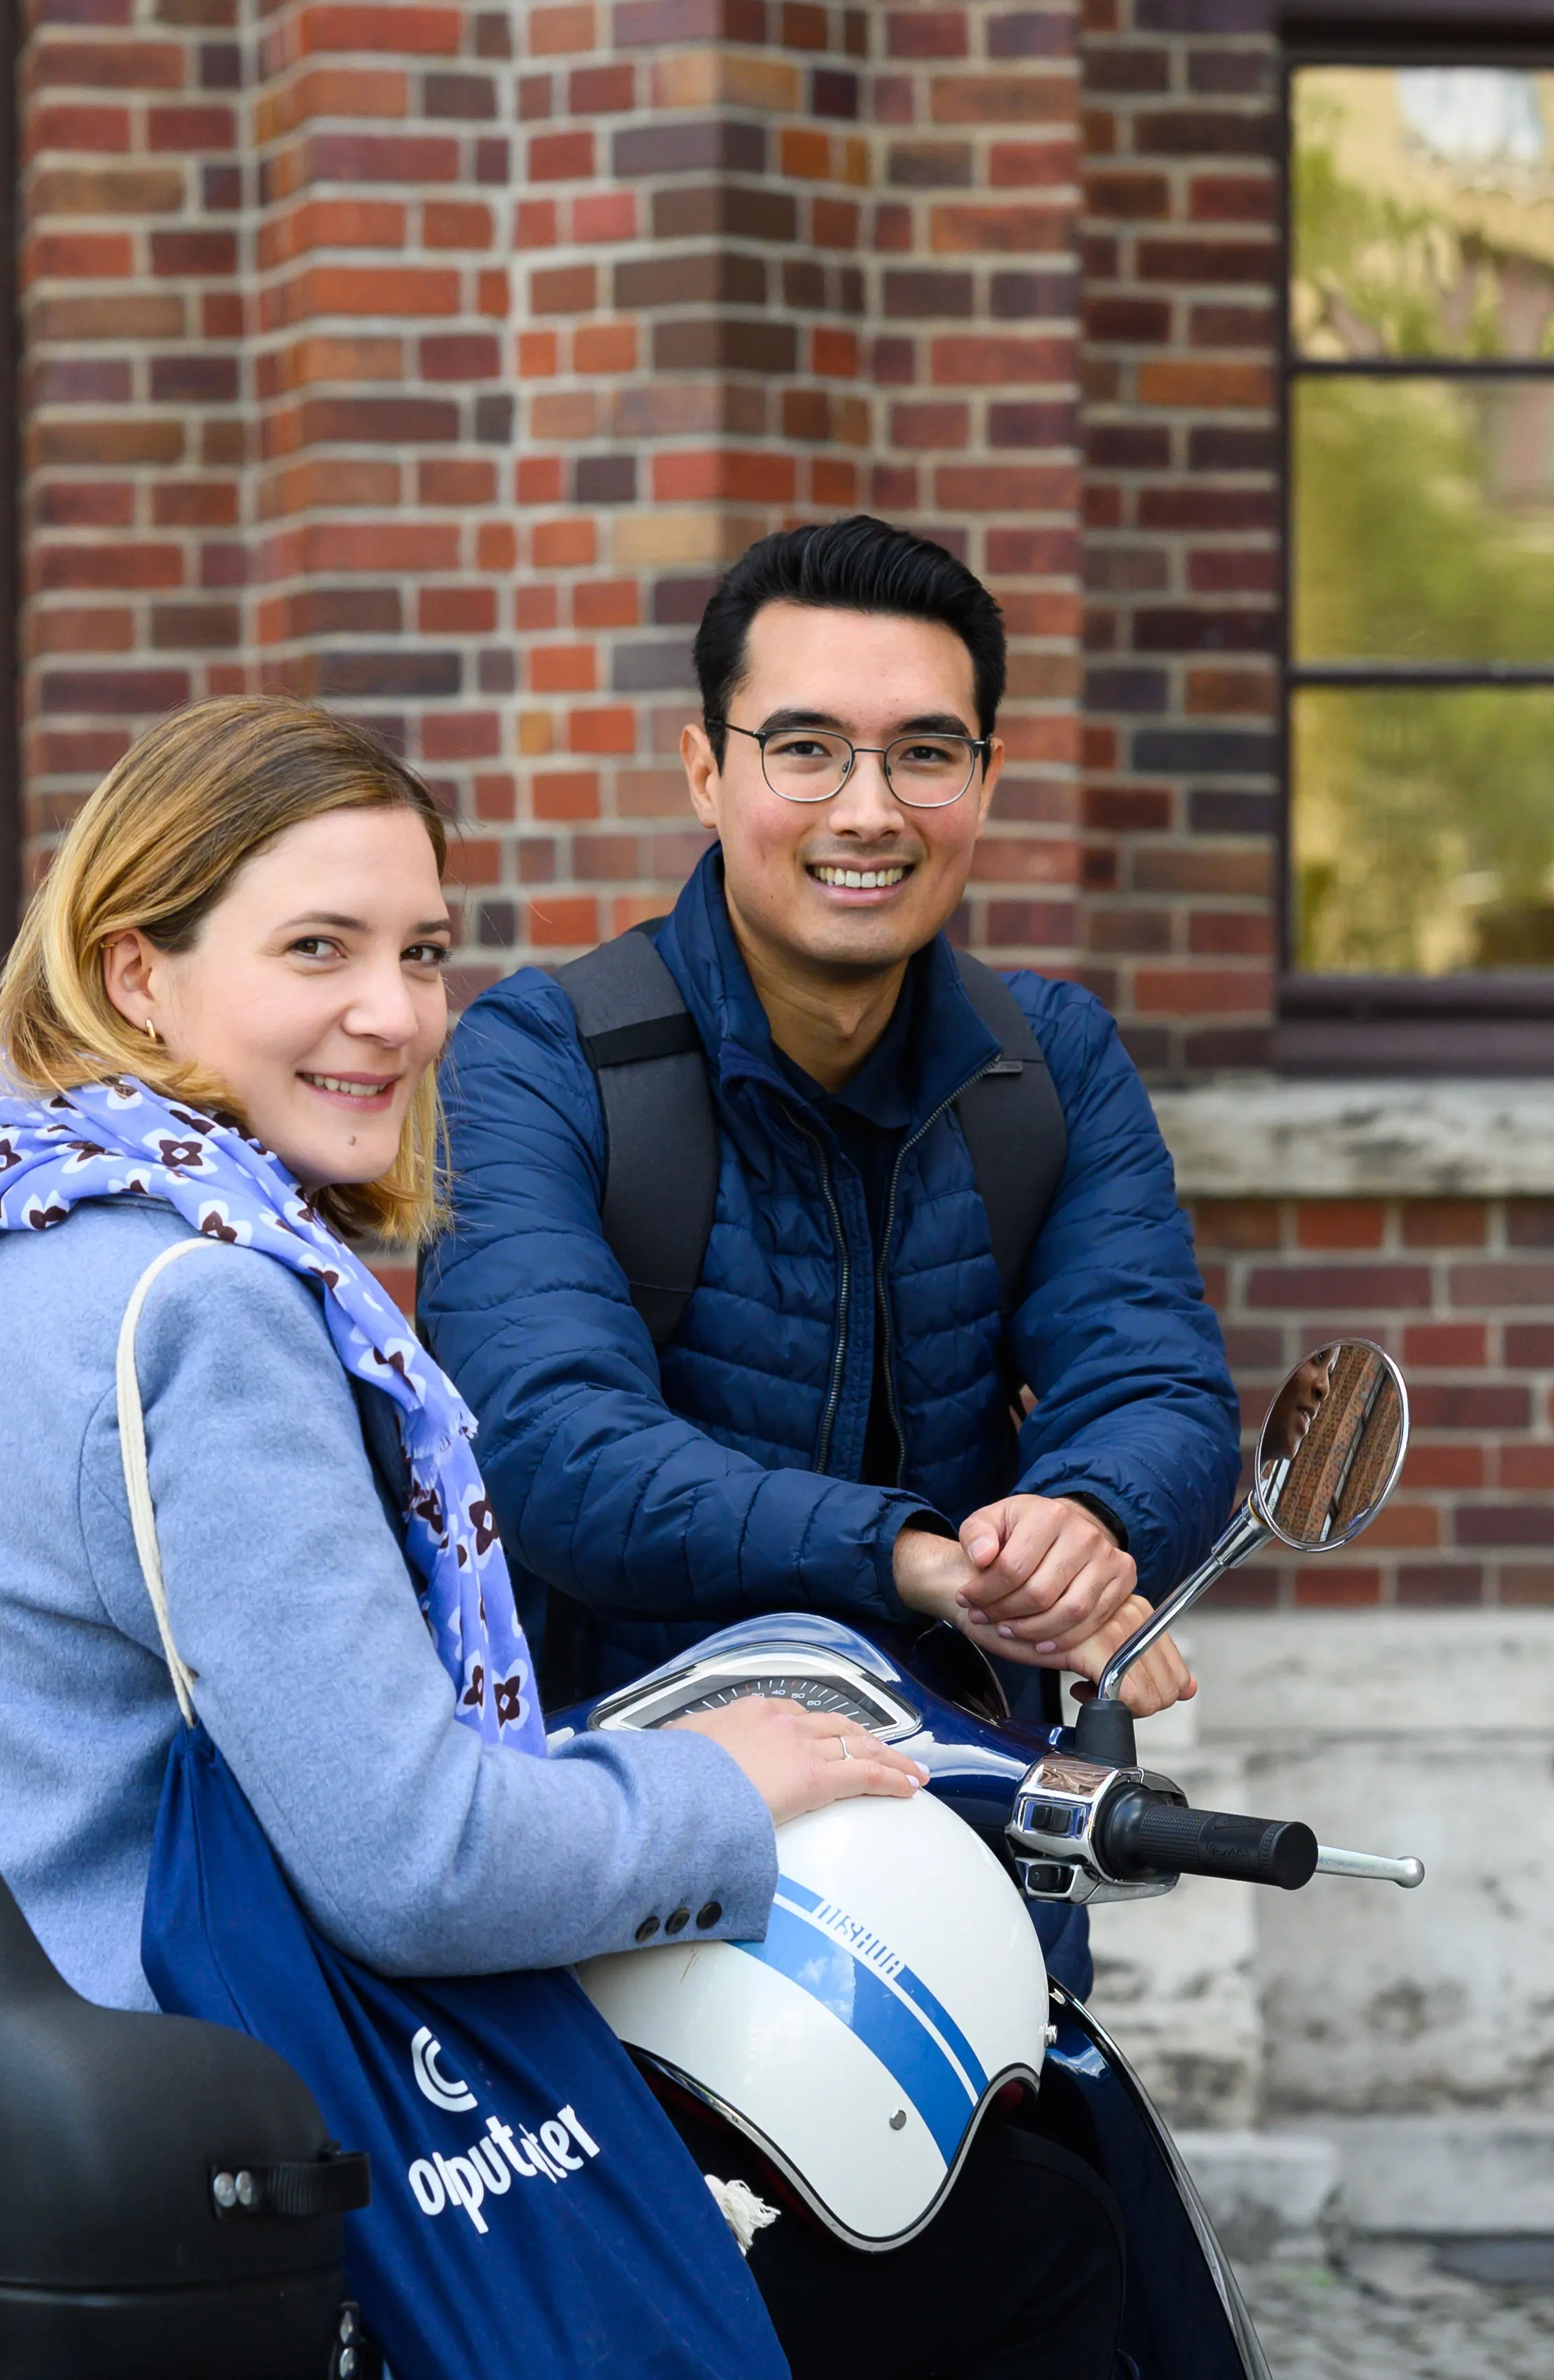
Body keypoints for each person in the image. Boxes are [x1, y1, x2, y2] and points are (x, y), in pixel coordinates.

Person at [417, 514, 1234, 2373]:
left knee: (1057, 2301)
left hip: (960, 1877)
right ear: (707, 767)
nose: (868, 806)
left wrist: (1078, 1530)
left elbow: (1158, 1384)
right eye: (807, 748)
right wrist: (916, 1554)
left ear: (984, 779)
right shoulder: (540, 1060)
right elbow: (552, 1448)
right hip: (622, 1890)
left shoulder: (1053, 1066)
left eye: (924, 752)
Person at [0, 690, 915, 2020]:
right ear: (135, 976)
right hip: (164, 2134)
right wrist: (717, 1784)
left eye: (422, 953)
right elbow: (420, 1863)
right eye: (320, 950)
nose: (400, 1016)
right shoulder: (210, 1309)